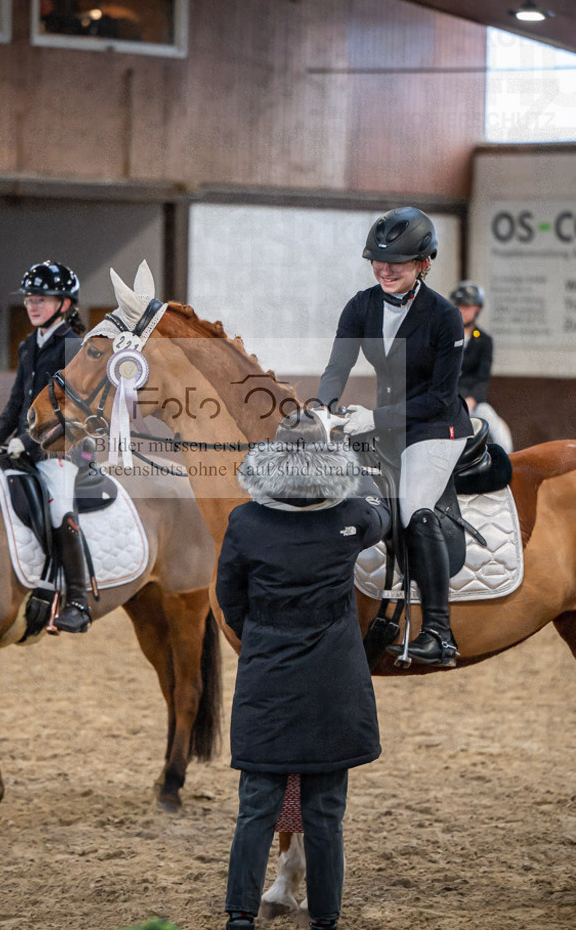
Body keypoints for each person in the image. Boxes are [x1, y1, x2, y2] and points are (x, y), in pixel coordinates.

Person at [216, 409, 390, 930]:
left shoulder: (244, 521)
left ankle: (241, 917)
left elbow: (230, 598)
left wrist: (266, 636)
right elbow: (383, 515)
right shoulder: (353, 516)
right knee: (324, 813)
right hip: (333, 681)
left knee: (255, 810)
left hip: (268, 676)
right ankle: (325, 919)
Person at [317, 206, 473, 668]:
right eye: (377, 261)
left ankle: (439, 632)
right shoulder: (360, 305)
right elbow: (337, 368)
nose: (384, 270)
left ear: (424, 263)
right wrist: (324, 410)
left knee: (414, 507)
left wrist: (376, 419)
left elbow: (441, 398)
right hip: (383, 423)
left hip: (434, 427)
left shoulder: (445, 317)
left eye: (398, 263)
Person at [0, 261, 91, 633]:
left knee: (59, 509)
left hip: (61, 450)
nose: (32, 305)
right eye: (29, 299)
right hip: (25, 447)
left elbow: (69, 408)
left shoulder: (73, 346)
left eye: (41, 299)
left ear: (64, 304)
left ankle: (77, 600)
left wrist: (24, 442)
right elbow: (17, 402)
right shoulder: (29, 344)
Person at [450, 280, 513, 454]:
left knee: (495, 426)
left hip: (472, 400)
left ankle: (507, 462)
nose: (463, 310)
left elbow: (482, 377)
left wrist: (472, 399)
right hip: (447, 398)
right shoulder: (445, 335)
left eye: (468, 306)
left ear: (477, 308)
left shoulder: (484, 340)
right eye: (460, 306)